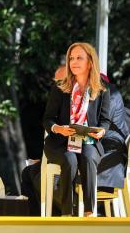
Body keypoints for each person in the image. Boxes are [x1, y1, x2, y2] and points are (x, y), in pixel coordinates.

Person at [42, 42, 111, 216]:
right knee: (70, 160)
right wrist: (58, 128)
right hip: (60, 142)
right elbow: (47, 119)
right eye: (71, 58)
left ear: (90, 62)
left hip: (89, 141)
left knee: (88, 156)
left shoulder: (102, 88)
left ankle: (89, 212)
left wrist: (101, 131)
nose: (74, 62)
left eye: (79, 58)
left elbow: (105, 120)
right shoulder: (60, 87)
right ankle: (66, 213)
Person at [20, 64, 67, 216]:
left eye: (61, 82)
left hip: (71, 172)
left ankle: (38, 225)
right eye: (56, 82)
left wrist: (44, 162)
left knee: (30, 174)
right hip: (110, 173)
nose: (57, 87)